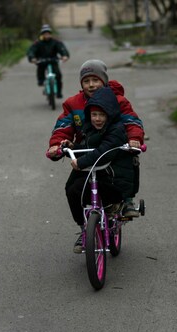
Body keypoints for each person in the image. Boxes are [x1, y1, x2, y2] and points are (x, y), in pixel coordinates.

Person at [46, 59, 144, 217]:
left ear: (104, 81)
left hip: (113, 150)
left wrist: (134, 138)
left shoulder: (118, 101)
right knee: (72, 188)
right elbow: (63, 127)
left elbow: (131, 121)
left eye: (95, 80)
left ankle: (127, 200)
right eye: (86, 81)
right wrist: (57, 145)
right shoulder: (73, 104)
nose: (91, 85)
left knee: (126, 167)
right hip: (88, 150)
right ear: (81, 84)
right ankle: (85, 227)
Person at [60, 87, 134, 253]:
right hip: (96, 172)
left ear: (110, 114)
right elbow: (89, 147)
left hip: (113, 178)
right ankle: (84, 227)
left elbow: (104, 152)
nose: (97, 119)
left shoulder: (117, 130)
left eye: (102, 115)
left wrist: (81, 162)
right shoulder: (89, 128)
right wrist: (73, 147)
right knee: (72, 189)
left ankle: (112, 206)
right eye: (94, 115)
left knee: (104, 190)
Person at [26, 24, 69, 98]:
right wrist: (32, 57)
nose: (47, 35)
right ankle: (41, 80)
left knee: (58, 75)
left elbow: (62, 48)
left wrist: (64, 55)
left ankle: (59, 92)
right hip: (42, 60)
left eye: (48, 33)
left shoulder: (55, 41)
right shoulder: (38, 42)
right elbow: (31, 51)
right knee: (40, 69)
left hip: (53, 60)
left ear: (50, 34)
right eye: (45, 33)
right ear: (42, 34)